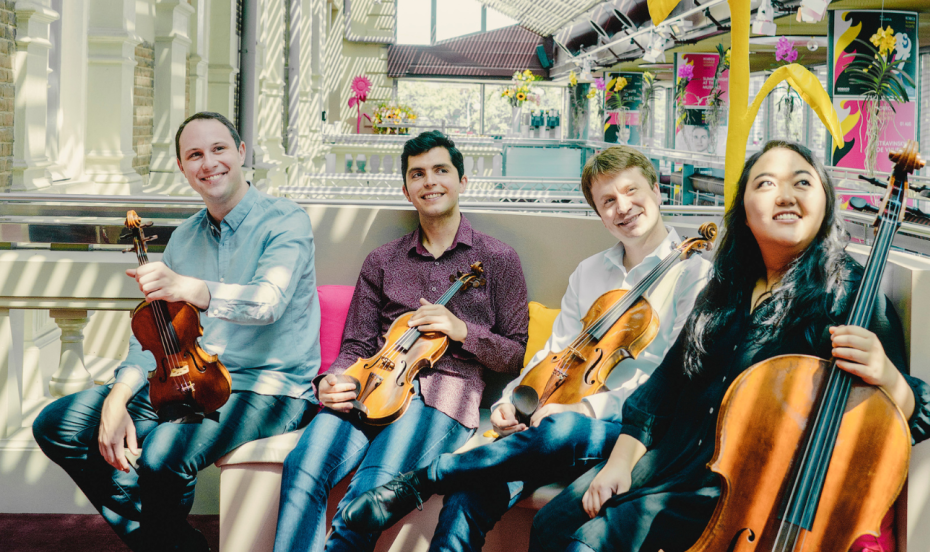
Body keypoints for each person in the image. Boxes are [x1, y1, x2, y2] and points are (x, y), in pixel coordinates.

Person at [528, 140, 930, 552]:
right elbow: (665, 386)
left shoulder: (847, 294)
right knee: (551, 524)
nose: (785, 196)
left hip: (733, 493)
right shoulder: (726, 286)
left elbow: (915, 419)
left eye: (802, 182)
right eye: (765, 184)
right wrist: (619, 463)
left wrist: (888, 377)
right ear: (743, 211)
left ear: (825, 202)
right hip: (668, 461)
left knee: (585, 543)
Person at [341, 145, 712, 551]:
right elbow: (552, 355)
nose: (622, 207)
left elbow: (669, 384)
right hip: (555, 423)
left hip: (634, 433)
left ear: (657, 191)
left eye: (631, 192)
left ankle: (428, 477)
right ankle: (447, 485)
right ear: (599, 214)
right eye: (608, 201)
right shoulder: (589, 272)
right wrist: (514, 402)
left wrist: (583, 409)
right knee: (470, 495)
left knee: (560, 428)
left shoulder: (695, 275)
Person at [32, 111, 321, 552]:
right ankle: (171, 538)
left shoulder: (287, 221)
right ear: (184, 169)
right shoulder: (185, 238)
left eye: (219, 149)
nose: (209, 163)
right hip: (188, 379)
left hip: (268, 388)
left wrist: (191, 287)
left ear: (241, 153)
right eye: (195, 155)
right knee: (59, 424)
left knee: (164, 454)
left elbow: (268, 302)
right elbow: (154, 336)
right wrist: (117, 398)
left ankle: (160, 535)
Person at [273, 130, 530, 552]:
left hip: (442, 396)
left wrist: (461, 330)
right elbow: (355, 344)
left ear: (462, 181)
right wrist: (332, 380)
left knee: (369, 494)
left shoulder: (499, 260)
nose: (430, 181)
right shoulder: (383, 259)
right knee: (302, 466)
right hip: (371, 384)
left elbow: (516, 354)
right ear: (407, 190)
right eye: (418, 174)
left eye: (440, 170)